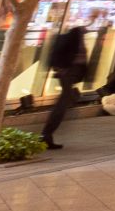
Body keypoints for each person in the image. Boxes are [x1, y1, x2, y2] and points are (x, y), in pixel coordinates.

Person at [40, 18, 94, 149]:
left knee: (66, 99)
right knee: (63, 103)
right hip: (67, 74)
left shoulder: (75, 38)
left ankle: (47, 135)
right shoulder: (75, 39)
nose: (87, 32)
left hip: (67, 74)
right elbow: (72, 58)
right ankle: (46, 135)